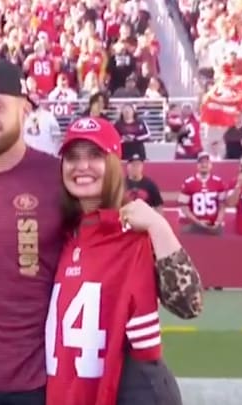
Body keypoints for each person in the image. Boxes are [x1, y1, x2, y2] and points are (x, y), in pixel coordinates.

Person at [0, 60, 200, 405]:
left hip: (44, 384)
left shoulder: (60, 178)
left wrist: (158, 227)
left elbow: (115, 230)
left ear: (24, 109)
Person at [47, 116, 198, 405]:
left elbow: (189, 303)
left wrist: (158, 226)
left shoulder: (135, 228)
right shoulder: (66, 233)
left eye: (94, 155)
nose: (82, 166)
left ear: (115, 164)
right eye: (72, 157)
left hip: (132, 388)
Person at [178, 152, 227, 234]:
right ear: (197, 165)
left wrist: (218, 221)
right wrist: (197, 222)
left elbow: (222, 205)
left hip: (214, 224)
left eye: (206, 162)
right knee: (183, 235)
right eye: (201, 162)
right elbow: (183, 207)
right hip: (195, 225)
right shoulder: (188, 183)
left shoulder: (218, 182)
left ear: (211, 165)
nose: (204, 165)